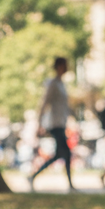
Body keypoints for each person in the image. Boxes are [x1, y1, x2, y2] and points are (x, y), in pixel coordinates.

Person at [29, 56, 75, 191]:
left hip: (61, 122)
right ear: (59, 66)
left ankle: (33, 176)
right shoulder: (53, 84)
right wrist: (39, 123)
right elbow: (45, 102)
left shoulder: (61, 84)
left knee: (61, 154)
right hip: (54, 123)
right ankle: (70, 184)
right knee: (65, 152)